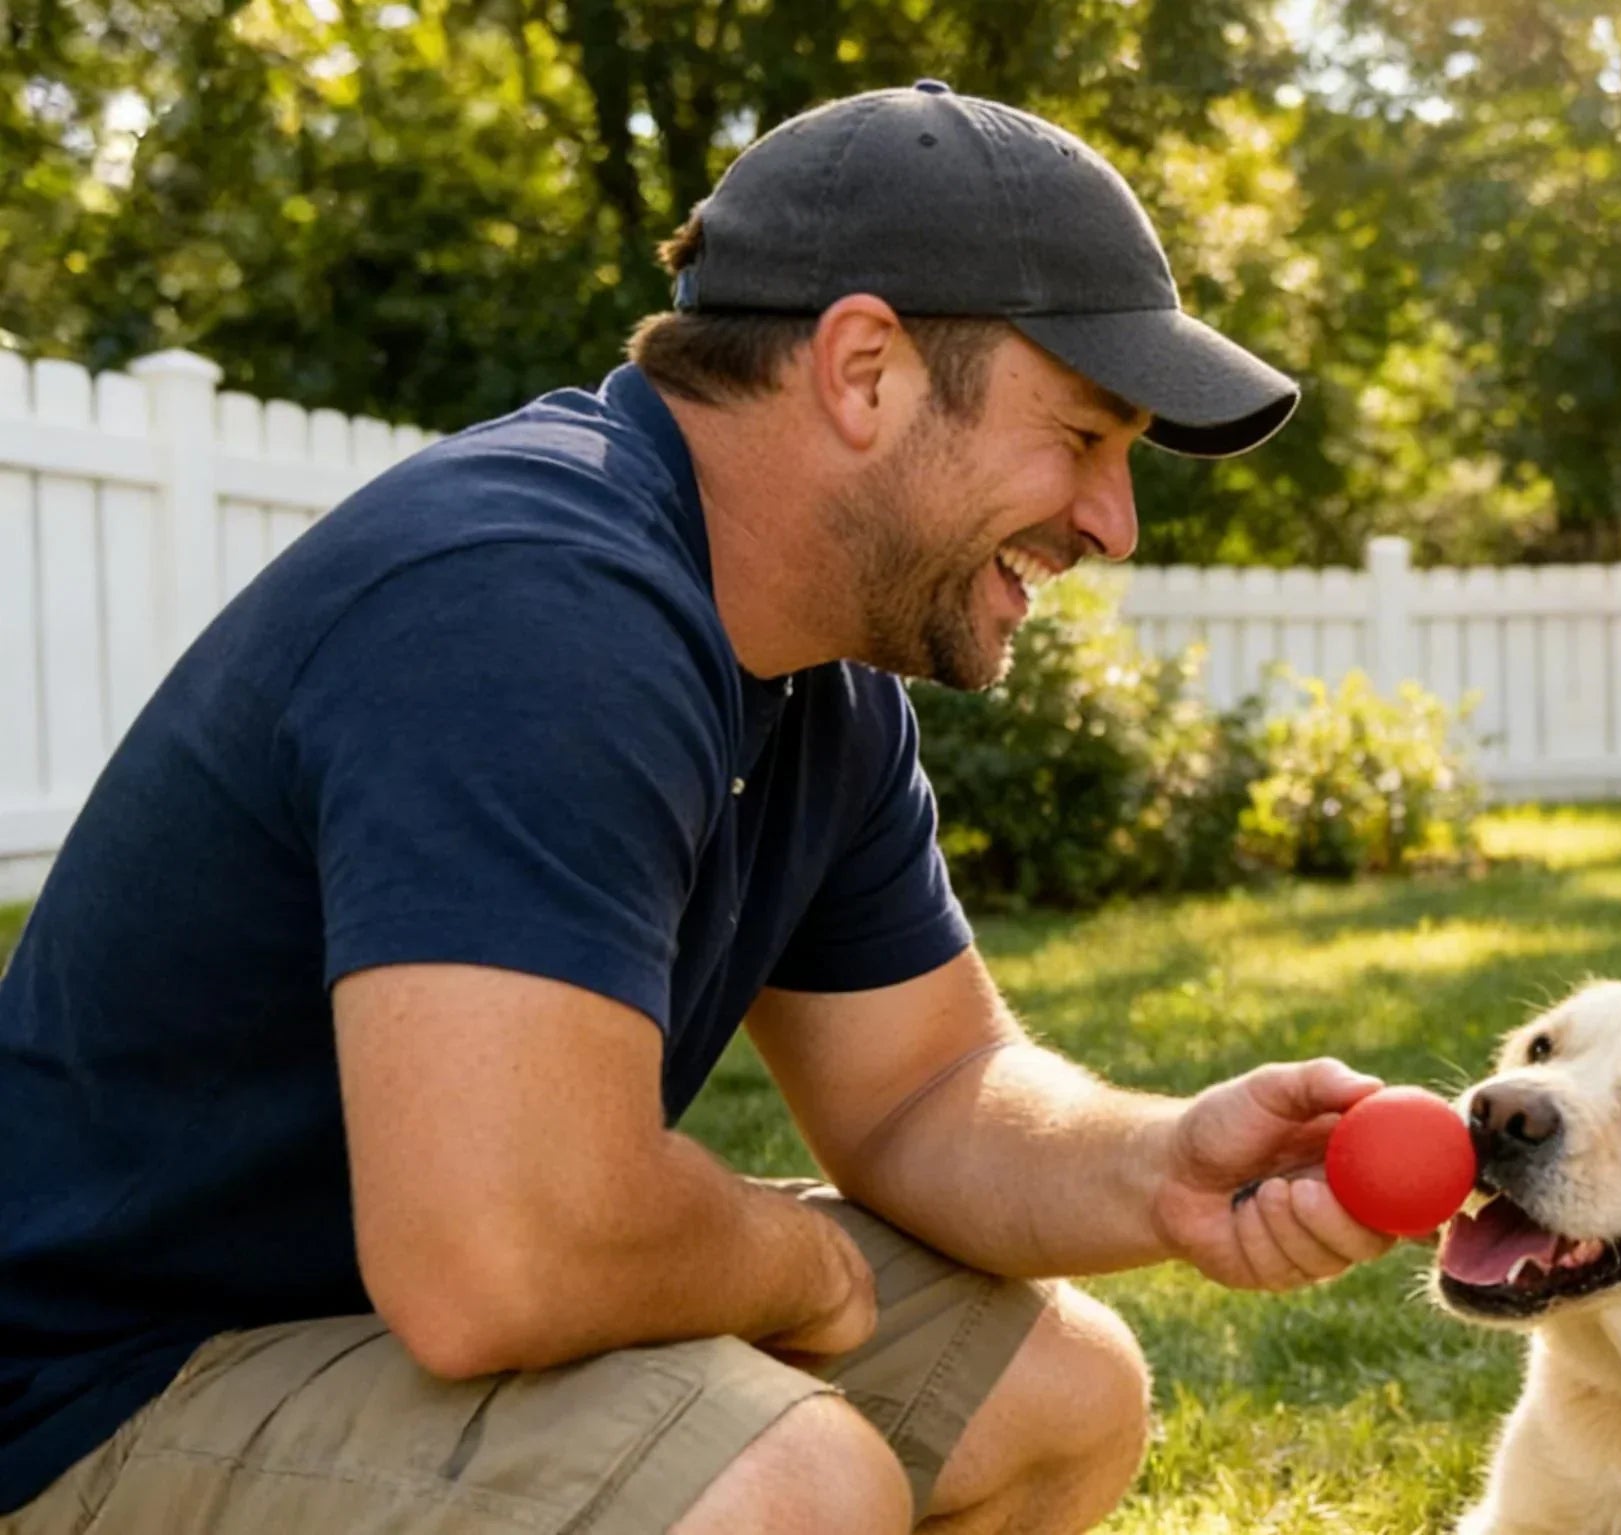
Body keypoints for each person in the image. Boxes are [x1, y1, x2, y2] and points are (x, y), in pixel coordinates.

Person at [0, 82, 1395, 1535]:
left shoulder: (816, 688)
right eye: (1084, 437)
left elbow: (924, 1089)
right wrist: (790, 1266)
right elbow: (509, 1255)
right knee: (784, 1480)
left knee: (1054, 1393)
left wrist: (1162, 1165)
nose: (1113, 521)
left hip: (360, 1326)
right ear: (865, 371)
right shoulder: (528, 606)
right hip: (91, 1398)